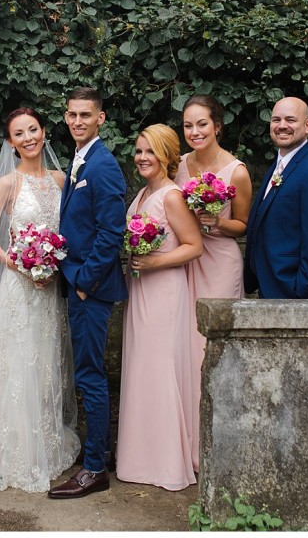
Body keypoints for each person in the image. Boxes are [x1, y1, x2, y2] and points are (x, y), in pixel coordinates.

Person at [0, 107, 80, 493]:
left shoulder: (59, 180)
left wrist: (53, 264)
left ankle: (48, 445)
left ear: (43, 132)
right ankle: (18, 450)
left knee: (48, 360)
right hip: (19, 287)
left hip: (50, 285)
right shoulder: (6, 183)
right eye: (19, 133)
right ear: (10, 142)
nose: (28, 138)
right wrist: (17, 262)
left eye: (33, 130)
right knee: (19, 362)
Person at [48, 87, 127, 500]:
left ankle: (95, 467)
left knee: (91, 376)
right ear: (66, 117)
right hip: (77, 284)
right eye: (72, 115)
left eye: (86, 115)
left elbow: (111, 232)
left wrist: (83, 283)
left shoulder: (104, 165)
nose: (78, 121)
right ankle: (94, 458)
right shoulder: (81, 160)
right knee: (87, 373)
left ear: (101, 118)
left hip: (89, 290)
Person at [116, 124, 203, 491]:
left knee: (161, 369)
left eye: (150, 151)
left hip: (165, 291)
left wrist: (155, 263)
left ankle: (166, 463)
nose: (142, 158)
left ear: (167, 156)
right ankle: (141, 458)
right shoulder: (141, 195)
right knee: (141, 369)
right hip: (141, 292)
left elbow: (193, 245)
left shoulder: (171, 196)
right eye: (138, 151)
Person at [174, 94, 252, 471]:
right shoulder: (178, 166)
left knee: (212, 350)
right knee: (186, 348)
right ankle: (186, 443)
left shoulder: (236, 171)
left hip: (220, 260)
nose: (194, 132)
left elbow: (243, 225)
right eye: (188, 125)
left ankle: (219, 446)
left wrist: (216, 221)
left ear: (217, 125)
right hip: (186, 264)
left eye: (201, 124)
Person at [244, 97, 308, 299]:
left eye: (290, 120)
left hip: (293, 291)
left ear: (307, 126)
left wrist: (302, 291)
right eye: (276, 120)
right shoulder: (278, 166)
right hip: (270, 285)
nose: (282, 126)